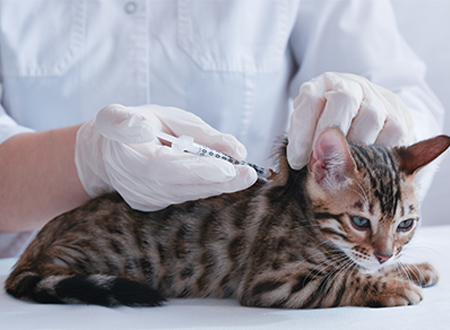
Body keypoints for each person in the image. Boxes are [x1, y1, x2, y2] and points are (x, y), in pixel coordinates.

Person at [0, 0, 444, 257]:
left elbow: (403, 88)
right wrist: (87, 161)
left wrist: (388, 118)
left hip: (247, 270)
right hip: (42, 272)